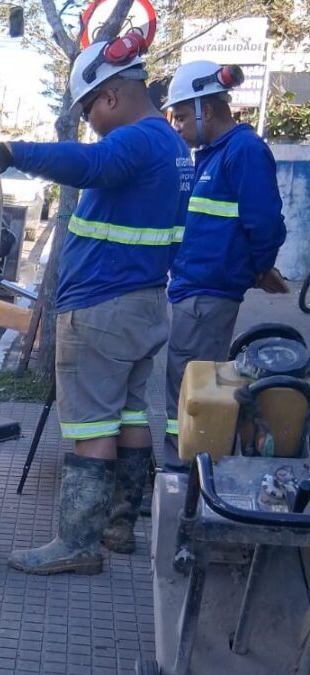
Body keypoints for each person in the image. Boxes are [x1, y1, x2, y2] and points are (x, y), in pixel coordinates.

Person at [0, 32, 194, 574]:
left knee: (88, 426)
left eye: (89, 109)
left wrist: (12, 151)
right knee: (130, 415)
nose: (90, 121)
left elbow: (88, 165)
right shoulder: (173, 146)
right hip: (142, 304)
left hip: (102, 309)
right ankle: (118, 527)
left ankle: (78, 544)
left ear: (111, 95)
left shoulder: (135, 141)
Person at [161, 61, 288, 471]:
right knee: (187, 389)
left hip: (207, 295)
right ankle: (183, 472)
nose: (176, 125)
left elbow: (265, 222)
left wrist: (257, 267)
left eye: (181, 116)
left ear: (207, 110)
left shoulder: (244, 152)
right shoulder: (213, 155)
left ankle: (183, 477)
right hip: (195, 290)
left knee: (190, 392)